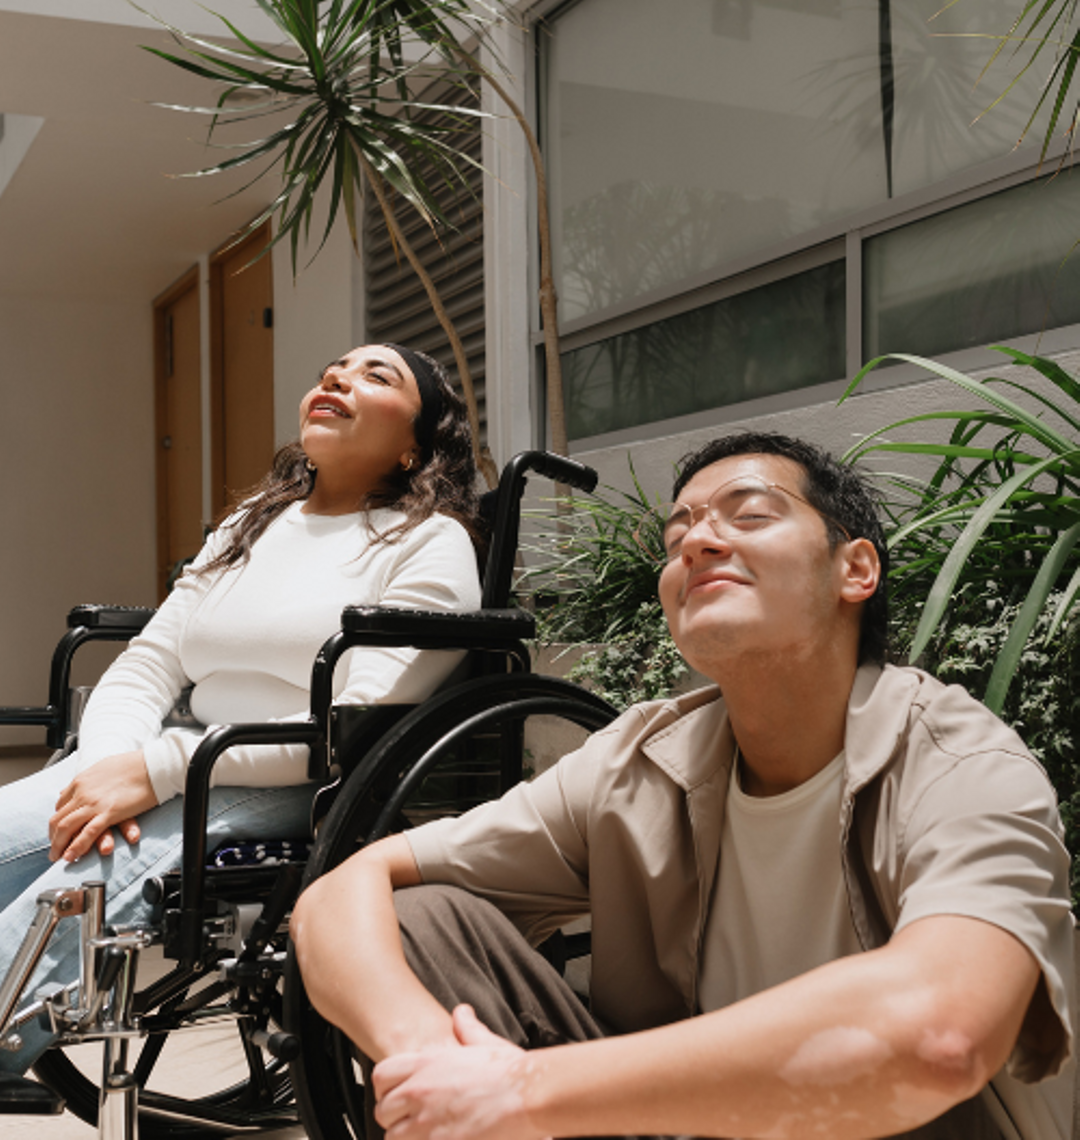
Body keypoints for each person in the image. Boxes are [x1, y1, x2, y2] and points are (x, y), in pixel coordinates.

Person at [292, 431, 1075, 1140]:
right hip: (679, 1126)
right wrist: (437, 1067)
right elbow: (343, 891)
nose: (699, 541)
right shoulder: (640, 762)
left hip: (902, 1127)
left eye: (751, 515)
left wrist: (522, 1089)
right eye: (678, 535)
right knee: (423, 920)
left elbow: (939, 1039)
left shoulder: (960, 764)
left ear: (855, 568)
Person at [0, 343, 483, 1107]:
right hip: (172, 756)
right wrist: (112, 763)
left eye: (376, 375)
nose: (337, 377)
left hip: (297, 780)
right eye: (335, 368)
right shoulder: (248, 528)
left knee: (62, 895)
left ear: (413, 444)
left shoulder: (430, 542)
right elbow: (149, 661)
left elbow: (355, 721)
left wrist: (161, 771)